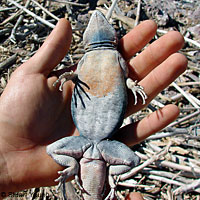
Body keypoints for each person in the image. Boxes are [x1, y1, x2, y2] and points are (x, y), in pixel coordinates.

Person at [0, 18, 187, 200]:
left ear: (86, 42)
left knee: (53, 150)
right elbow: (124, 75)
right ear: (113, 38)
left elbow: (107, 76)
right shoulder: (115, 57)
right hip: (97, 142)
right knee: (131, 160)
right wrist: (130, 85)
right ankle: (90, 172)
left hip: (86, 142)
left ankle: (82, 169)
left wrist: (73, 77)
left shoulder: (88, 59)